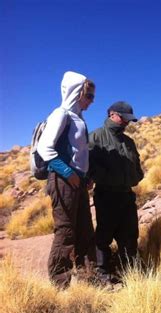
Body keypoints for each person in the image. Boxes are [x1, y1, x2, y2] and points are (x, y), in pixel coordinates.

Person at [37, 71, 96, 288]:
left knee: (85, 230)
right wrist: (68, 173)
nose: (91, 101)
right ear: (77, 92)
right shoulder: (61, 114)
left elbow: (79, 154)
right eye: (88, 95)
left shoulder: (78, 118)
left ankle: (88, 280)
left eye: (92, 97)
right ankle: (59, 285)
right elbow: (45, 148)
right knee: (66, 231)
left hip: (76, 181)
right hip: (62, 180)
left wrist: (85, 176)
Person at [88, 101, 144, 283]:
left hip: (127, 195)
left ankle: (130, 271)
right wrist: (109, 177)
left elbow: (137, 167)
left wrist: (135, 177)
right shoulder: (96, 137)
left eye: (129, 120)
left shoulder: (129, 142)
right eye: (123, 118)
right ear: (112, 114)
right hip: (106, 195)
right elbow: (90, 166)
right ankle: (102, 273)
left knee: (129, 235)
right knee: (104, 235)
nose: (126, 122)